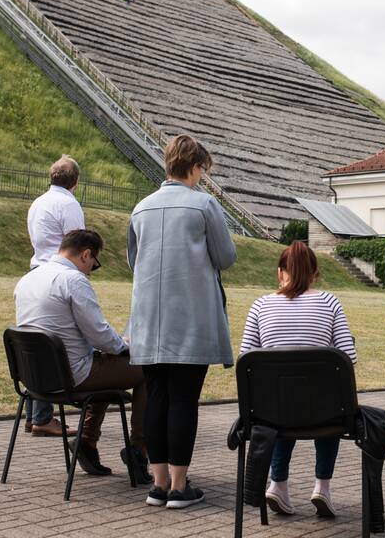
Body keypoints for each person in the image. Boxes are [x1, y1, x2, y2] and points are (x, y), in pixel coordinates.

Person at [128, 134, 237, 509]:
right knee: (184, 401)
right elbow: (225, 256)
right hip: (189, 319)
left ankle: (156, 484)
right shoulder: (203, 205)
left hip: (148, 322)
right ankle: (178, 485)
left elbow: (133, 262)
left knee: (156, 398)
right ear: (194, 167)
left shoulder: (140, 208)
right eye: (201, 171)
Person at [14, 229, 151, 483]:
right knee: (147, 371)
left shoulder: (28, 279)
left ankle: (87, 443)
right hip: (72, 374)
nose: (90, 270)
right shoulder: (73, 280)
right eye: (93, 264)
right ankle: (138, 449)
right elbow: (99, 334)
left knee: (106, 365)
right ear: (86, 254)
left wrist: (111, 348)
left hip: (36, 377)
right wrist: (126, 345)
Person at [239, 241, 357, 519]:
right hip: (325, 413)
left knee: (282, 398)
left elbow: (247, 361)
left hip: (272, 414)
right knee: (329, 399)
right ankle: (322, 487)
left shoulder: (260, 305)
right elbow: (348, 358)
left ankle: (278, 484)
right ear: (315, 274)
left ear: (281, 272)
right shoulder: (329, 302)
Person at [23, 155, 86, 435]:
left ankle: (34, 410)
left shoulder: (38, 203)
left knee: (35, 343)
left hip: (37, 270)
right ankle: (43, 416)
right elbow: (76, 242)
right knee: (58, 343)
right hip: (58, 274)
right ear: (75, 181)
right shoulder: (68, 204)